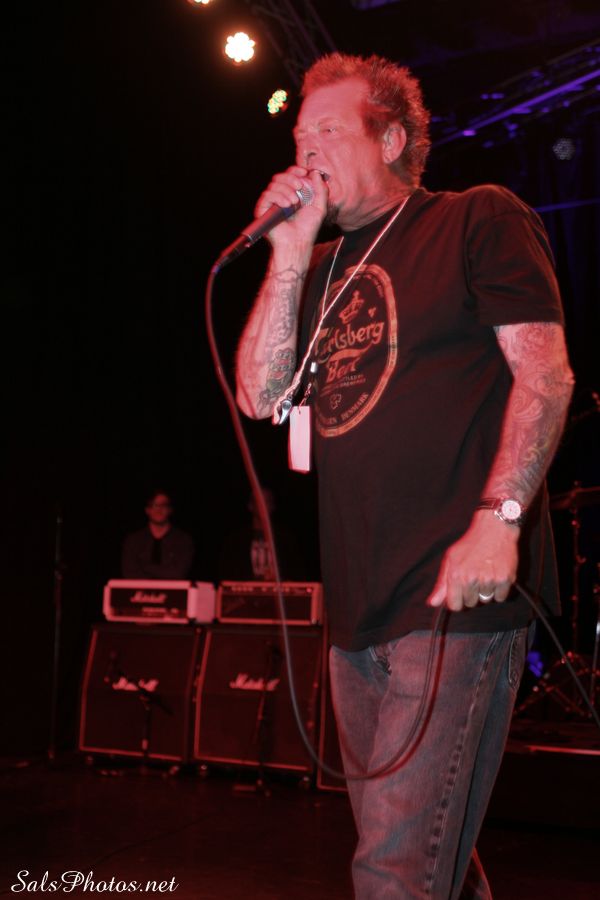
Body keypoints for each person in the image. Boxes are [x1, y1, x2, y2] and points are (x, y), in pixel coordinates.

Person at [235, 52, 574, 899]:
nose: (306, 149)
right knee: (429, 859)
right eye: (298, 135)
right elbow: (259, 395)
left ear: (390, 140)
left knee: (393, 870)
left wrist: (499, 517)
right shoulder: (318, 271)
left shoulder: (473, 218)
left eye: (328, 130)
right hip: (358, 607)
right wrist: (287, 254)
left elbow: (545, 376)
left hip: (455, 596)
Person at [121, 489, 194, 580]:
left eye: (163, 505)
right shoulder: (134, 540)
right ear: (147, 510)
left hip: (172, 588)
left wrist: (145, 566)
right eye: (154, 505)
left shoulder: (183, 540)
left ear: (170, 510)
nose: (159, 509)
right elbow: (130, 573)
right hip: (139, 589)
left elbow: (178, 573)